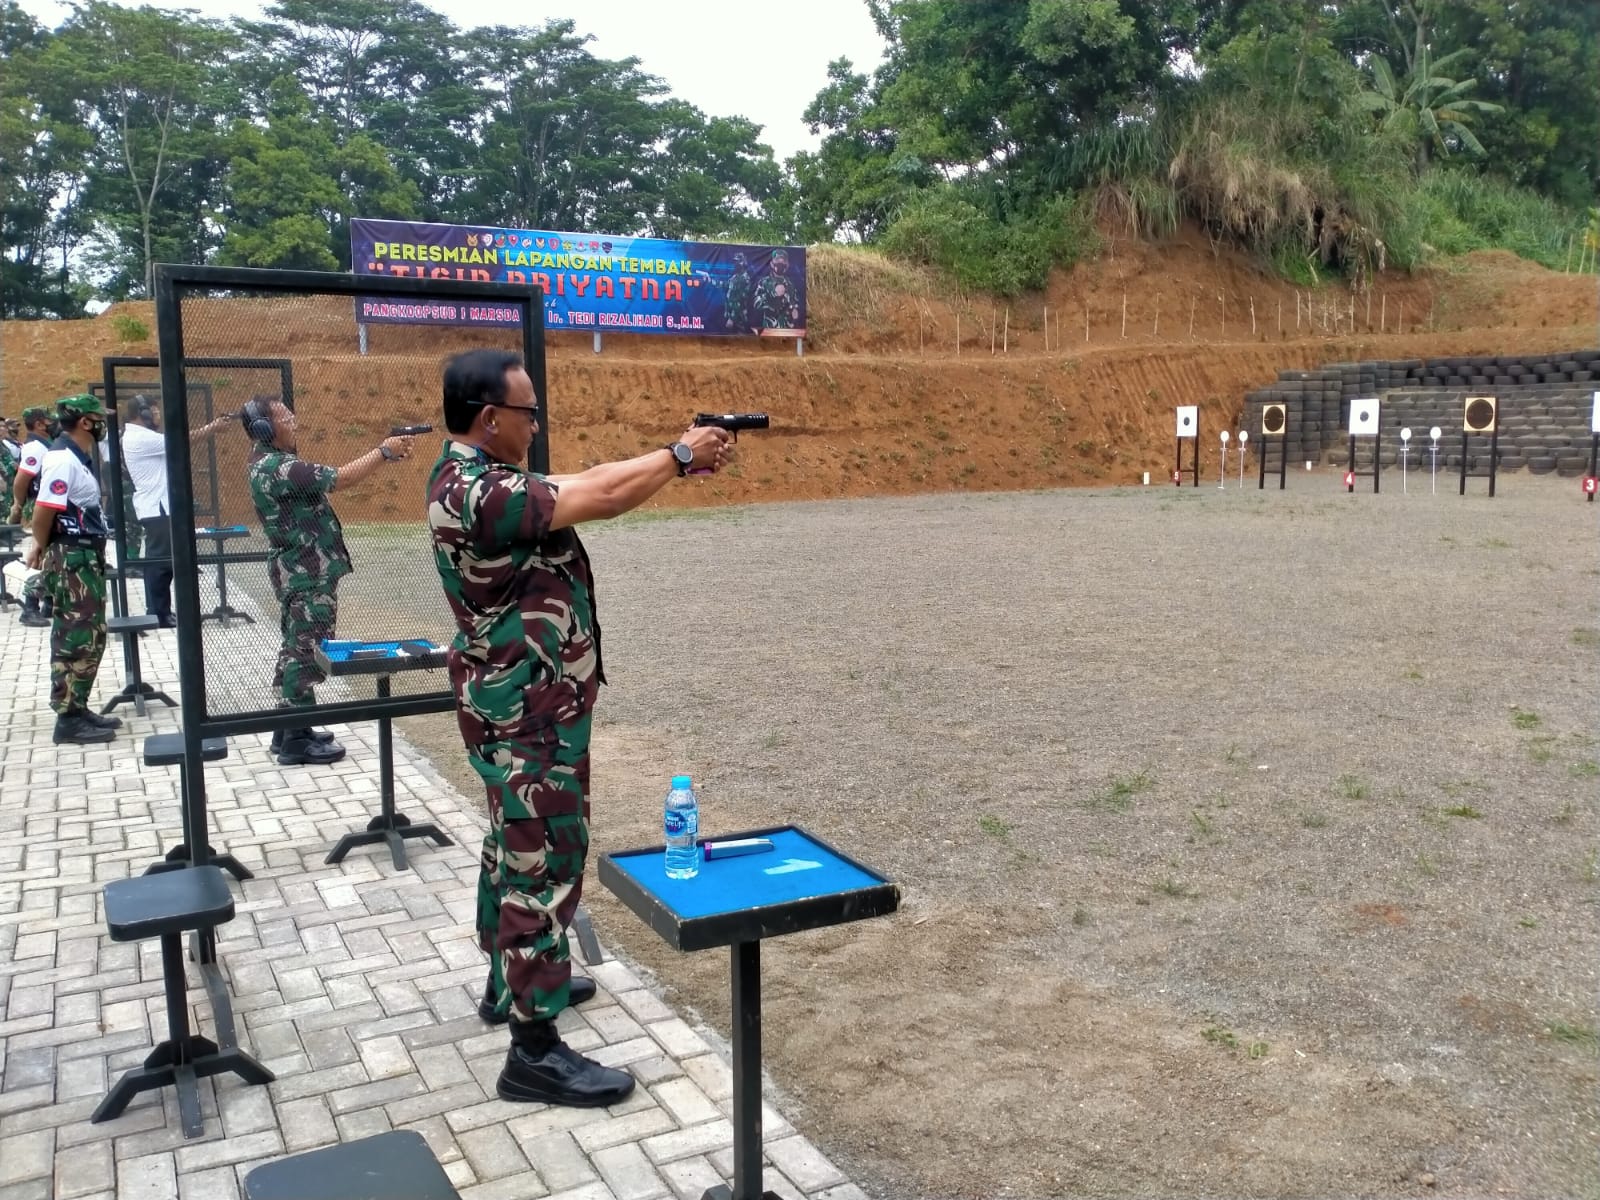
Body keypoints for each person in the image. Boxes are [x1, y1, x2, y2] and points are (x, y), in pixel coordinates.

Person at [426, 348, 731, 1108]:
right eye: (528, 414)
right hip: (526, 717)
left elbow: (584, 483)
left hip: (525, 709)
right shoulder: (473, 491)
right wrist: (681, 453)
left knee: (512, 851)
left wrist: (674, 458)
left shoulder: (479, 478)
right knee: (540, 865)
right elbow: (602, 493)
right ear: (491, 419)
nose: (536, 426)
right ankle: (533, 1050)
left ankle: (510, 987)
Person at [243, 394, 414, 765]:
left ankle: (290, 728)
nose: (293, 421)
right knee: (307, 650)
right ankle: (295, 742)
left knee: (295, 646)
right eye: (284, 417)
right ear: (264, 428)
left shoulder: (266, 464)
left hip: (301, 569)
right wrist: (383, 452)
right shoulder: (278, 467)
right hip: (307, 572)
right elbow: (340, 478)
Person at [22, 395, 122, 744]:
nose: (102, 424)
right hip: (72, 559)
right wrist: (42, 543)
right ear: (84, 422)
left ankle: (77, 707)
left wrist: (42, 543)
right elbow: (43, 512)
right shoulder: (63, 460)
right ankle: (67, 718)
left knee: (91, 634)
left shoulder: (75, 458)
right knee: (76, 634)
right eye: (98, 418)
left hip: (82, 557)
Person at [118, 393, 233, 627]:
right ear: (143, 413)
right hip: (157, 509)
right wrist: (212, 427)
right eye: (155, 410)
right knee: (160, 564)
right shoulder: (139, 438)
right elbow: (182, 439)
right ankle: (159, 613)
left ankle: (160, 611)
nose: (158, 414)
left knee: (162, 563)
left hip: (158, 507)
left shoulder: (140, 435)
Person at [9, 406, 60, 627]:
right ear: (39, 424)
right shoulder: (34, 448)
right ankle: (29, 608)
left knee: (52, 556)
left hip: (49, 506)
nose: (53, 422)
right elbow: (21, 480)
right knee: (42, 557)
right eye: (49, 420)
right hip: (41, 507)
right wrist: (18, 505)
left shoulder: (45, 445)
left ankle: (48, 602)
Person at [751, 248, 802, 331]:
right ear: (771, 264)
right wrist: (773, 293)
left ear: (787, 264)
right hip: (769, 329)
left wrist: (795, 310)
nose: (780, 263)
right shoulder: (764, 282)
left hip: (788, 330)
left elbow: (795, 302)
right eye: (777, 260)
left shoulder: (791, 284)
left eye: (783, 261)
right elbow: (756, 303)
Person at [723, 251, 752, 330]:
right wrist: (709, 280)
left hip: (739, 318)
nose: (735, 264)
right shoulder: (735, 277)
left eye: (737, 262)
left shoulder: (745, 278)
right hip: (730, 314)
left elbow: (741, 300)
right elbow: (725, 285)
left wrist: (732, 318)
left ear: (742, 263)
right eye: (734, 262)